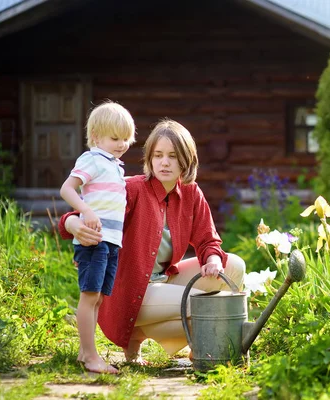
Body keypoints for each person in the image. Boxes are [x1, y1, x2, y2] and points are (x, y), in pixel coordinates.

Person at [59, 118, 245, 367]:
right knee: (203, 303)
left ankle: (188, 341)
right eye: (158, 155)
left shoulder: (191, 193)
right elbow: (87, 212)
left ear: (186, 160)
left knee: (233, 266)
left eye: (172, 156)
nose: (164, 162)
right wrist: (71, 224)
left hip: (164, 280)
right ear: (149, 158)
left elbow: (207, 240)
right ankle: (152, 334)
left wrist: (212, 258)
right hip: (130, 289)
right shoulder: (132, 189)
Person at [60, 101, 136, 374]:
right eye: (115, 138)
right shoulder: (92, 159)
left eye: (126, 138)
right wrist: (85, 210)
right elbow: (67, 189)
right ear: (95, 137)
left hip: (110, 242)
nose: (122, 144)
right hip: (94, 240)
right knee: (89, 296)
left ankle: (85, 351)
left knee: (99, 298)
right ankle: (91, 357)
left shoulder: (115, 165)